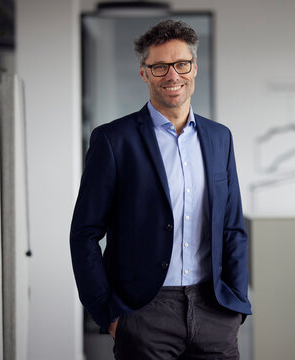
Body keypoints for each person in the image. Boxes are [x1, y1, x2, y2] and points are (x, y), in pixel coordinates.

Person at [70, 20, 251, 359]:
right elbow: (84, 233)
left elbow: (232, 227)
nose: (172, 75)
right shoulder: (113, 140)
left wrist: (236, 301)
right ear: (144, 73)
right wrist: (106, 313)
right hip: (144, 312)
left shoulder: (219, 138)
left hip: (214, 309)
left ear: (194, 67)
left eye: (181, 64)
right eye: (159, 66)